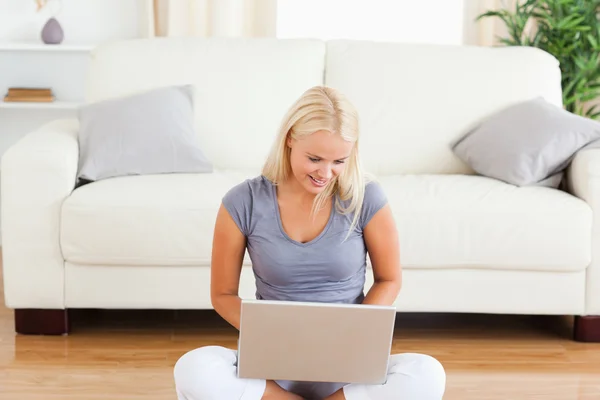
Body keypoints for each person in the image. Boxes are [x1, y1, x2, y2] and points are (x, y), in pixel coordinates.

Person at [173, 86, 446, 400]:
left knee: (427, 374)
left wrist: (355, 331)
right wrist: (271, 335)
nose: (326, 173)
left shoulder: (366, 197)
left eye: (339, 161)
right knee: (193, 368)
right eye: (314, 158)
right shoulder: (243, 201)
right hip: (273, 365)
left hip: (347, 365)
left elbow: (389, 279)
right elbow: (222, 295)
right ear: (290, 138)